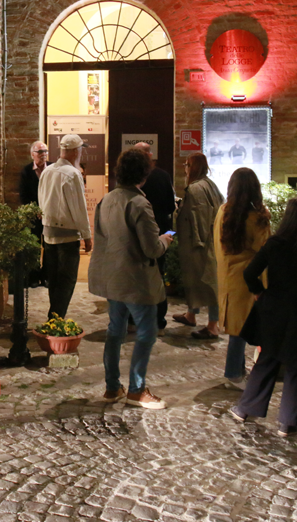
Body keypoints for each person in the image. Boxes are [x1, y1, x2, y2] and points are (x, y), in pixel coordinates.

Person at [231, 197, 297, 437]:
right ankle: (288, 423)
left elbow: (250, 273)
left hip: (276, 312)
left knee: (268, 359)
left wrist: (260, 293)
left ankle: (246, 409)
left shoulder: (275, 244)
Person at [89, 149, 174, 409]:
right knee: (147, 333)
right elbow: (152, 248)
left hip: (113, 278)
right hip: (136, 280)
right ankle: (137, 390)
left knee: (115, 331)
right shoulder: (139, 203)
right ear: (144, 174)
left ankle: (112, 387)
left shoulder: (107, 200)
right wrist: (165, 240)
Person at [211, 167, 271, 390]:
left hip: (228, 277)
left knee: (238, 327)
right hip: (249, 279)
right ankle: (234, 372)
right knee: (247, 327)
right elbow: (266, 250)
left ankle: (237, 370)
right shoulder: (256, 218)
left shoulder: (223, 212)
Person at [38, 133, 91, 320]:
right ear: (76, 152)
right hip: (68, 235)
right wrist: (87, 235)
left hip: (48, 233)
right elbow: (79, 208)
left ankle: (54, 317)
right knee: (67, 280)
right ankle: (55, 319)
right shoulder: (73, 174)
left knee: (53, 280)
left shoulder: (47, 171)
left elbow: (40, 200)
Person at [173, 153, 225, 332]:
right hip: (208, 240)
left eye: (186, 165)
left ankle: (212, 325)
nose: (185, 169)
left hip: (200, 244)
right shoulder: (210, 184)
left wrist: (199, 242)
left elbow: (199, 217)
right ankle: (191, 314)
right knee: (196, 280)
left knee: (208, 282)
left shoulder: (195, 188)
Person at [134, 142, 175, 334]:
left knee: (135, 277)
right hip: (160, 233)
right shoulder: (163, 176)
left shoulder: (131, 178)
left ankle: (134, 321)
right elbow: (171, 207)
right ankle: (158, 320)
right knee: (158, 276)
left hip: (135, 236)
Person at [19, 140, 52, 287]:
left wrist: (47, 211)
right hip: (33, 216)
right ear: (32, 154)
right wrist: (35, 211)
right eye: (40, 152)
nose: (43, 154)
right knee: (34, 246)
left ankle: (46, 276)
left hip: (50, 215)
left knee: (49, 246)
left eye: (45, 151)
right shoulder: (26, 171)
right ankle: (33, 277)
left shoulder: (52, 169)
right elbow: (23, 195)